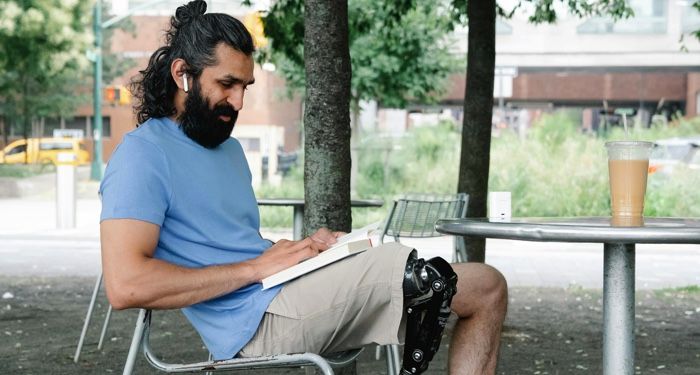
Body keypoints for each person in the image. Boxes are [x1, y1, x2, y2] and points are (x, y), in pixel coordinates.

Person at [99, 1, 507, 373]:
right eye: (227, 84)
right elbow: (126, 284)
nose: (239, 102)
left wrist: (305, 251)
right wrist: (257, 268)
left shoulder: (228, 151)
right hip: (253, 325)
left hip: (283, 294)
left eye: (245, 86)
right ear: (182, 74)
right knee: (417, 275)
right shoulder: (142, 156)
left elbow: (231, 246)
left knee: (486, 287)